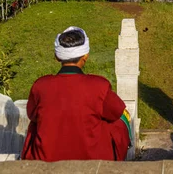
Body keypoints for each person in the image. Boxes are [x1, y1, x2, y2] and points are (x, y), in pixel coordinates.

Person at [21, 26, 131, 162]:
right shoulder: (99, 85)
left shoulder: (41, 86)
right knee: (120, 121)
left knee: (35, 125)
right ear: (86, 55)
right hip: (92, 157)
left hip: (47, 157)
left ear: (57, 56)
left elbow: (32, 114)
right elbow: (116, 111)